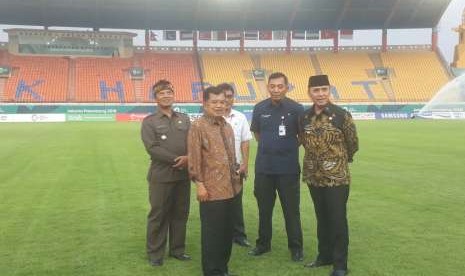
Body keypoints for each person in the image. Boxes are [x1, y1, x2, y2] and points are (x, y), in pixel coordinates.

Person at [300, 75, 359, 276]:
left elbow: (353, 144)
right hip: (313, 176)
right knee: (321, 217)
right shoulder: (304, 117)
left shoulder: (342, 115)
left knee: (337, 219)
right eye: (316, 90)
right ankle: (324, 256)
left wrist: (340, 161)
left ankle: (340, 265)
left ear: (330, 90)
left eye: (324, 89)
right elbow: (303, 140)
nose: (320, 94)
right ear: (309, 92)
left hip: (337, 178)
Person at [248, 72, 304, 262]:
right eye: (273, 86)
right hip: (264, 168)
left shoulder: (297, 109)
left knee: (291, 210)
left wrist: (285, 148)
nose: (276, 89)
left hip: (288, 169)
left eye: (280, 86)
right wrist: (271, 147)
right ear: (268, 87)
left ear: (286, 87)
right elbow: (257, 133)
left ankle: (296, 248)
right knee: (264, 210)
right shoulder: (259, 108)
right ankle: (263, 244)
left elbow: (302, 136)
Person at [188, 86, 242, 276]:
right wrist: (200, 185)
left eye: (222, 102)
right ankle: (212, 271)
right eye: (214, 102)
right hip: (211, 190)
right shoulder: (198, 126)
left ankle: (223, 268)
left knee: (227, 233)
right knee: (213, 235)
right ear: (205, 103)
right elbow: (194, 159)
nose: (219, 106)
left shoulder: (226, 126)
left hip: (230, 189)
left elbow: (231, 156)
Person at [141, 80, 191, 267]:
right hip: (161, 177)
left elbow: (193, 142)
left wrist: (189, 157)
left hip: (183, 176)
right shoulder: (150, 122)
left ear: (174, 94)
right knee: (159, 215)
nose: (166, 96)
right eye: (161, 93)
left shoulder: (184, 119)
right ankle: (155, 254)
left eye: (169, 92)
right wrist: (178, 159)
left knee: (180, 214)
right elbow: (152, 148)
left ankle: (178, 250)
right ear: (156, 98)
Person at [218, 82, 253, 248]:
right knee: (218, 204)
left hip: (236, 168)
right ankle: (221, 235)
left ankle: (239, 235)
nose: (226, 99)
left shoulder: (240, 117)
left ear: (233, 98)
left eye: (229, 96)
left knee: (236, 203)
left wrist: (245, 164)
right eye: (223, 96)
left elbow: (246, 141)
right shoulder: (211, 117)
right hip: (216, 170)